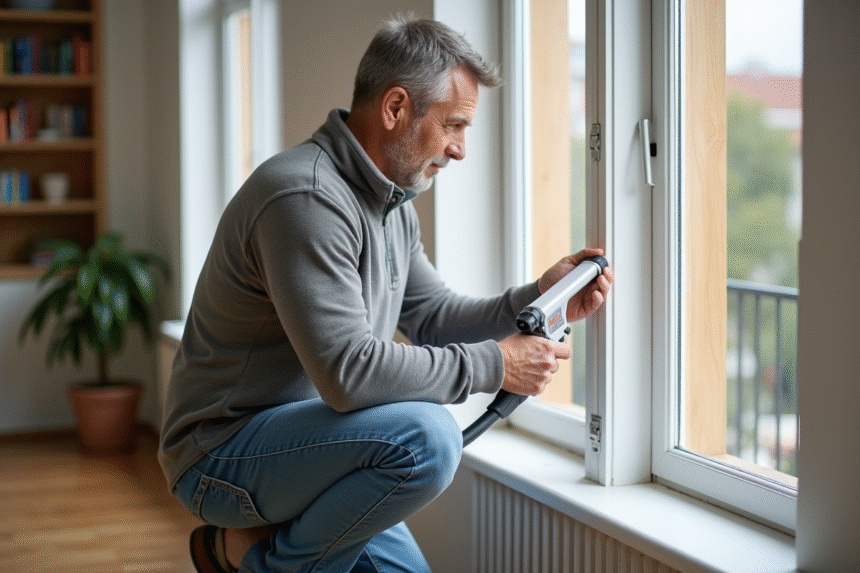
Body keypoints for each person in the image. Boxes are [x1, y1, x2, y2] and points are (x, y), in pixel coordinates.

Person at [159, 15, 613, 573]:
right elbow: (348, 375)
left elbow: (435, 316)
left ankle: (235, 554)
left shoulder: (390, 203)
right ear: (395, 108)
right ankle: (257, 563)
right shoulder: (306, 198)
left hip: (312, 444)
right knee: (427, 438)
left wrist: (541, 298)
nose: (461, 149)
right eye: (454, 125)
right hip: (219, 454)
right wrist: (496, 364)